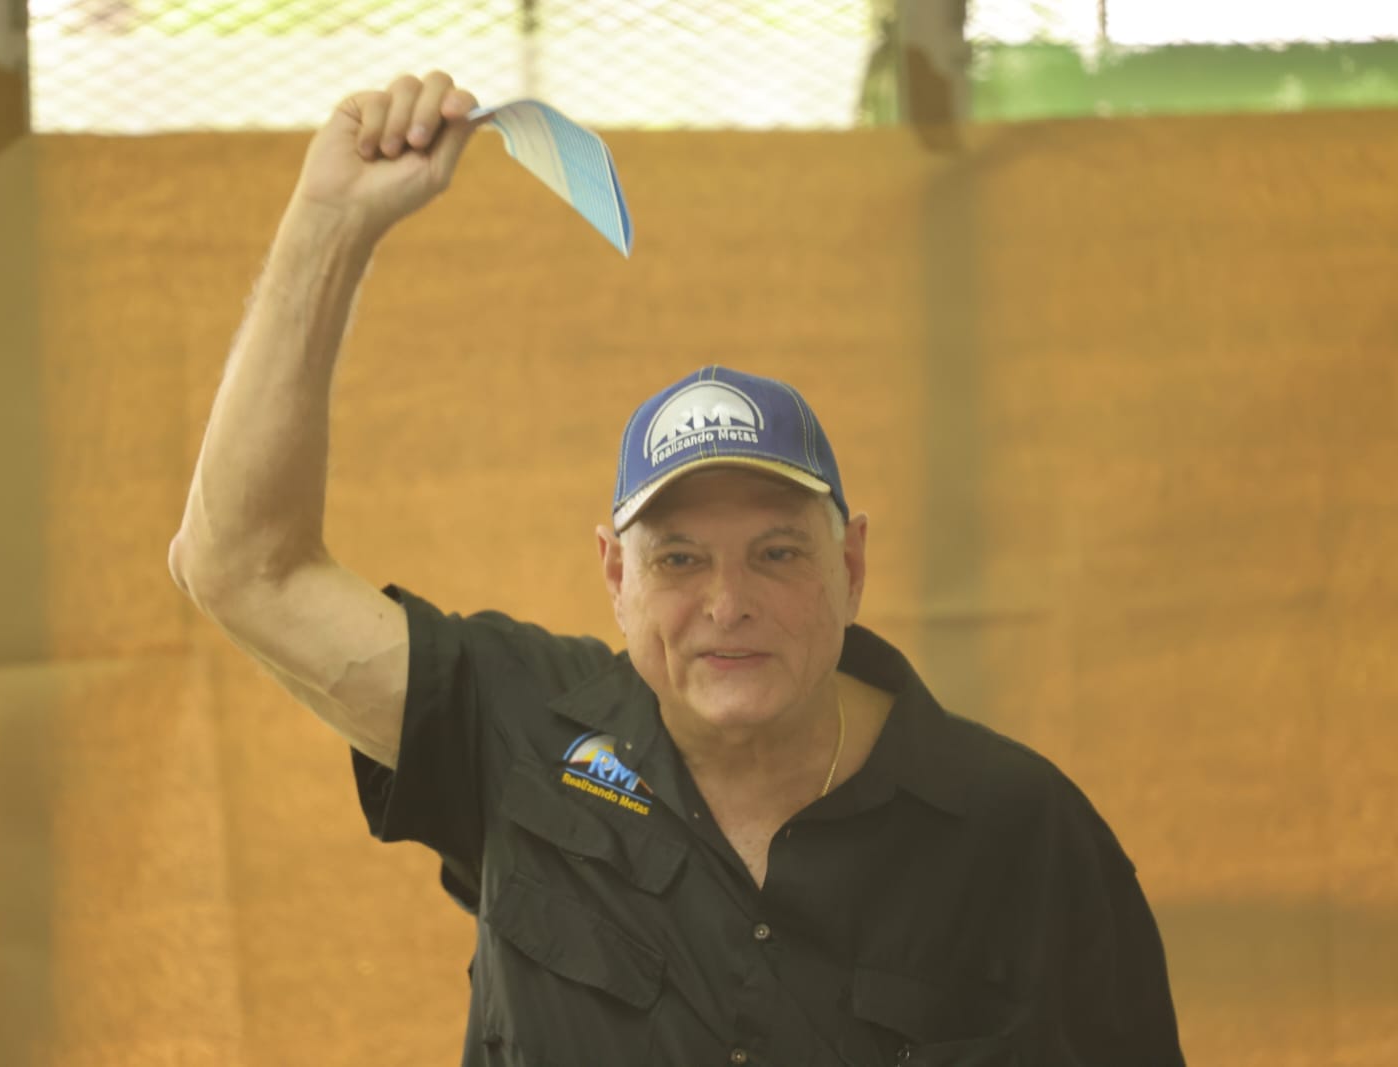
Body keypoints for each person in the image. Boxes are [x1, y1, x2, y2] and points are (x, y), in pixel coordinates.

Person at [169, 71, 1185, 1067]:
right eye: (679, 557)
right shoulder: (519, 730)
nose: (727, 603)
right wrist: (329, 223)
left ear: (854, 561)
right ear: (614, 572)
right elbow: (239, 565)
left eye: (777, 552)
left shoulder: (1018, 829)